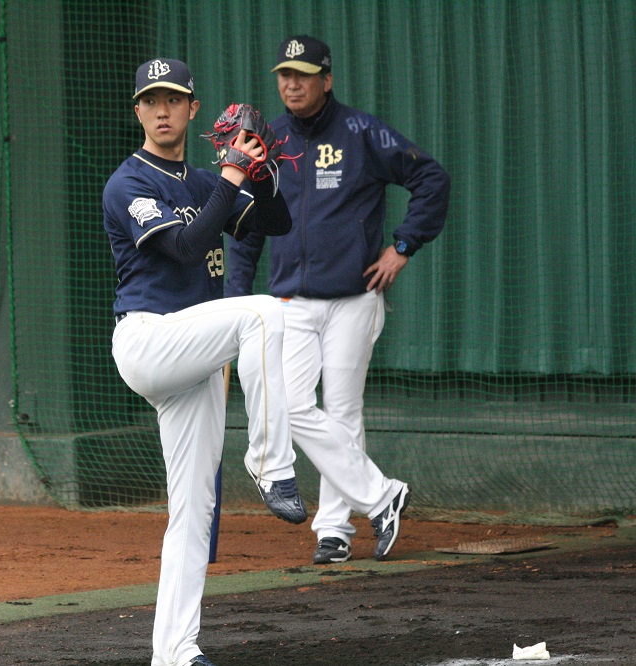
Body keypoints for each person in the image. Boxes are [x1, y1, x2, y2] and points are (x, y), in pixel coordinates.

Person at [103, 57, 306, 666]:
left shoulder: (199, 183)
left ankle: (175, 651)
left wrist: (260, 173)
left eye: (173, 99)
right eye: (150, 100)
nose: (162, 110)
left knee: (193, 511)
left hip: (193, 355)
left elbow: (275, 222)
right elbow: (189, 245)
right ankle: (271, 465)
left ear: (193, 108)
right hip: (148, 340)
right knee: (266, 313)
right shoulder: (128, 183)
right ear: (137, 110)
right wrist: (231, 174)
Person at [226, 35, 450, 565]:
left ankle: (334, 531)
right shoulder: (269, 140)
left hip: (354, 296)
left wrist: (402, 247)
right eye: (285, 74)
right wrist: (234, 306)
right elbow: (246, 233)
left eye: (303, 74)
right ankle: (381, 496)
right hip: (289, 303)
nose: (291, 84)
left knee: (344, 412)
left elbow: (430, 178)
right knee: (292, 405)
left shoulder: (360, 130)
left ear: (326, 80)